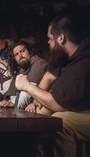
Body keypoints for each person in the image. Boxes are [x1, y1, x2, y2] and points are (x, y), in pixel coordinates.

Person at [15, 14, 90, 157]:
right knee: (38, 115)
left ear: (61, 38)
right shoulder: (65, 56)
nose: (48, 42)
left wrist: (27, 86)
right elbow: (49, 76)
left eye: (50, 38)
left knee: (60, 123)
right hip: (76, 107)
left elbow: (58, 104)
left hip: (86, 111)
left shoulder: (84, 61)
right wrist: (37, 101)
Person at [0, 40, 48, 109]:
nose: (20, 56)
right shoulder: (21, 69)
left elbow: (29, 91)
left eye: (22, 51)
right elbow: (12, 92)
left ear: (30, 52)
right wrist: (8, 101)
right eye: (16, 54)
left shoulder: (39, 63)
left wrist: (14, 104)